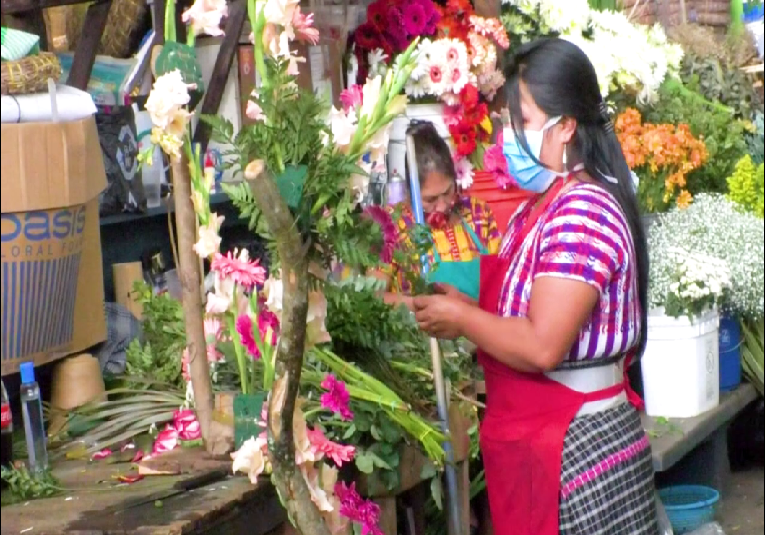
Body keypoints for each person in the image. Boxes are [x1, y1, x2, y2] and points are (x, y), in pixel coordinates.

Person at [412, 38, 658, 535]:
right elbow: (521, 307)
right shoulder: (540, 205)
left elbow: (544, 344)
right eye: (507, 121)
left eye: (522, 121)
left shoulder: (584, 209)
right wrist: (467, 305)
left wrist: (465, 321)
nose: (508, 136)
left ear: (566, 125)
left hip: (578, 448)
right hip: (543, 441)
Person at [377, 121, 502, 311]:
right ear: (410, 192)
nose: (442, 206)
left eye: (448, 192)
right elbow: (374, 297)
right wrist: (418, 305)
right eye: (430, 199)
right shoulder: (393, 226)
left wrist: (465, 309)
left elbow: (502, 287)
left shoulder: (478, 213)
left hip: (479, 334)